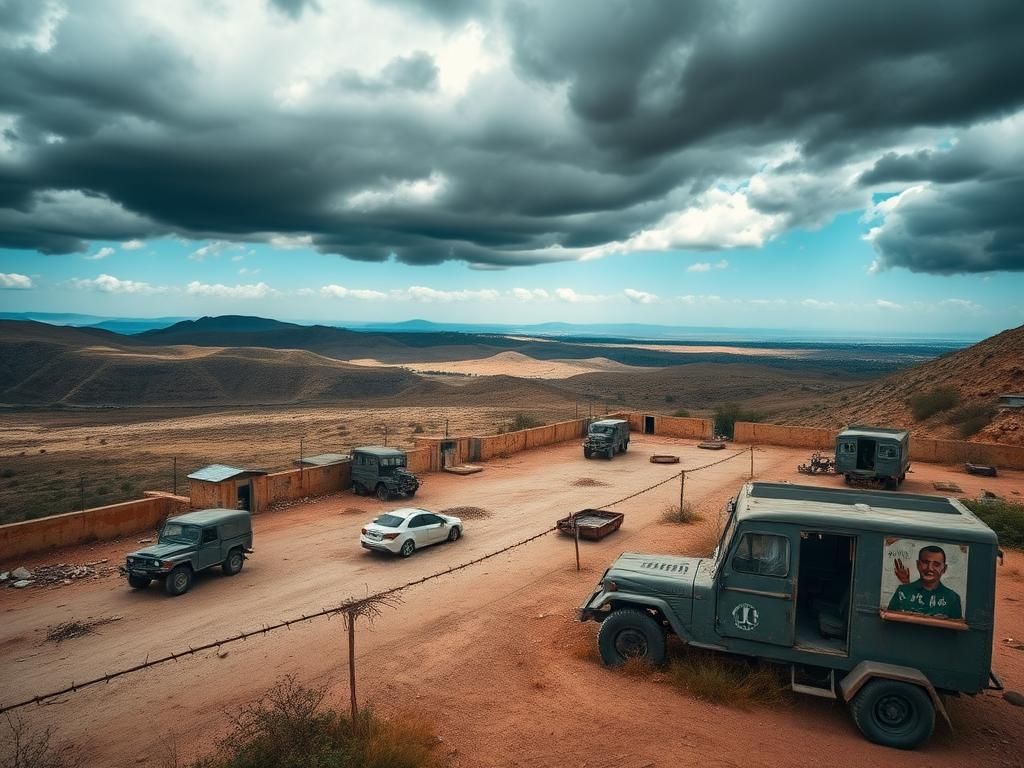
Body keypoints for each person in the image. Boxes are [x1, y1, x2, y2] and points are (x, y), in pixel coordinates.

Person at [887, 545, 963, 620]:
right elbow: (889, 624)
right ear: (918, 564)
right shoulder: (902, 592)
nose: (930, 568)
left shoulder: (952, 599)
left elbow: (956, 630)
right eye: (925, 562)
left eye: (936, 564)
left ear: (944, 569)